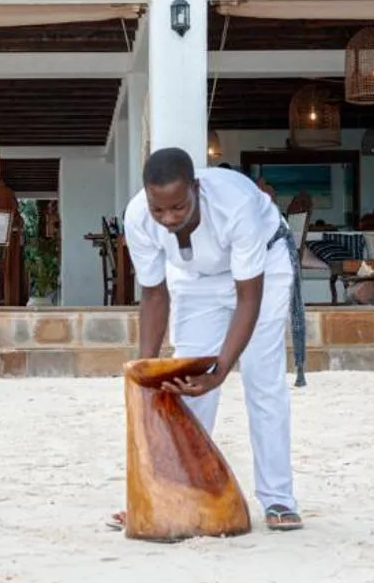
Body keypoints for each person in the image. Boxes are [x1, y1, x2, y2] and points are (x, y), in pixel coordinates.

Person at [120, 147, 302, 531]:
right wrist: (145, 371)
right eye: (159, 210)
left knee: (262, 378)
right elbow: (154, 295)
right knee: (183, 383)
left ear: (196, 189)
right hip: (195, 279)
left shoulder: (236, 205)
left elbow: (248, 297)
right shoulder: (138, 217)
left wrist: (221, 370)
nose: (168, 219)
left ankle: (278, 499)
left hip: (262, 270)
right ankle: (174, 493)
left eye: (178, 208)